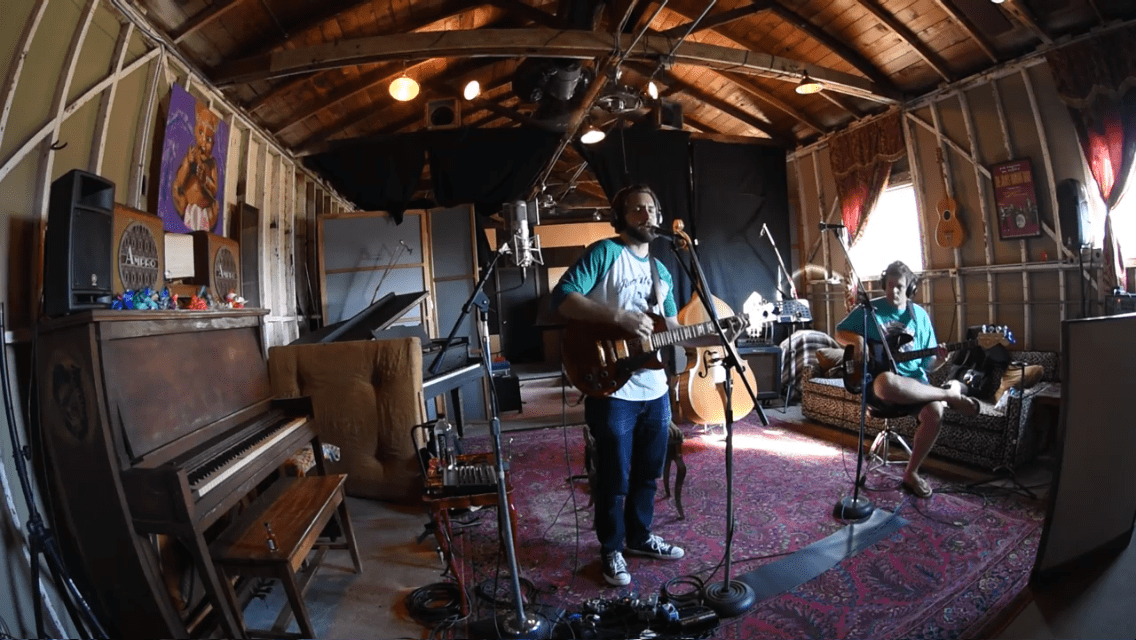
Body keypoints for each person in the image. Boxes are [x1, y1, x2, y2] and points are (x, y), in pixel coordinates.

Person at [551, 184, 685, 587]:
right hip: (612, 386)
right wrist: (619, 317)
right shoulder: (605, 253)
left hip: (654, 387)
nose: (647, 216)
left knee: (648, 471)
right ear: (621, 217)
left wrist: (715, 334)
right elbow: (563, 297)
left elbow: (672, 327)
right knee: (613, 473)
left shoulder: (662, 271)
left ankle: (639, 537)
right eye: (637, 209)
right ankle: (611, 548)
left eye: (652, 209)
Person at [834, 260, 980, 499]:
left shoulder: (919, 316)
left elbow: (927, 366)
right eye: (889, 286)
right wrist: (858, 340)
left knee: (935, 412)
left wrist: (941, 359)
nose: (893, 291)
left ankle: (911, 473)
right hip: (881, 387)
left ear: (910, 288)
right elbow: (839, 332)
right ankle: (948, 394)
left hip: (915, 385)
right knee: (886, 382)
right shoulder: (869, 310)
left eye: (899, 286)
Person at [172, 102, 221, 232]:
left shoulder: (211, 163)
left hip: (205, 212)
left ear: (213, 143)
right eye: (200, 133)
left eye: (208, 139)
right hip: (188, 206)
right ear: (195, 132)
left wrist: (205, 180)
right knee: (176, 189)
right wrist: (188, 162)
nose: (203, 141)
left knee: (216, 207)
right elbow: (180, 181)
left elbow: (214, 190)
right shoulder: (192, 155)